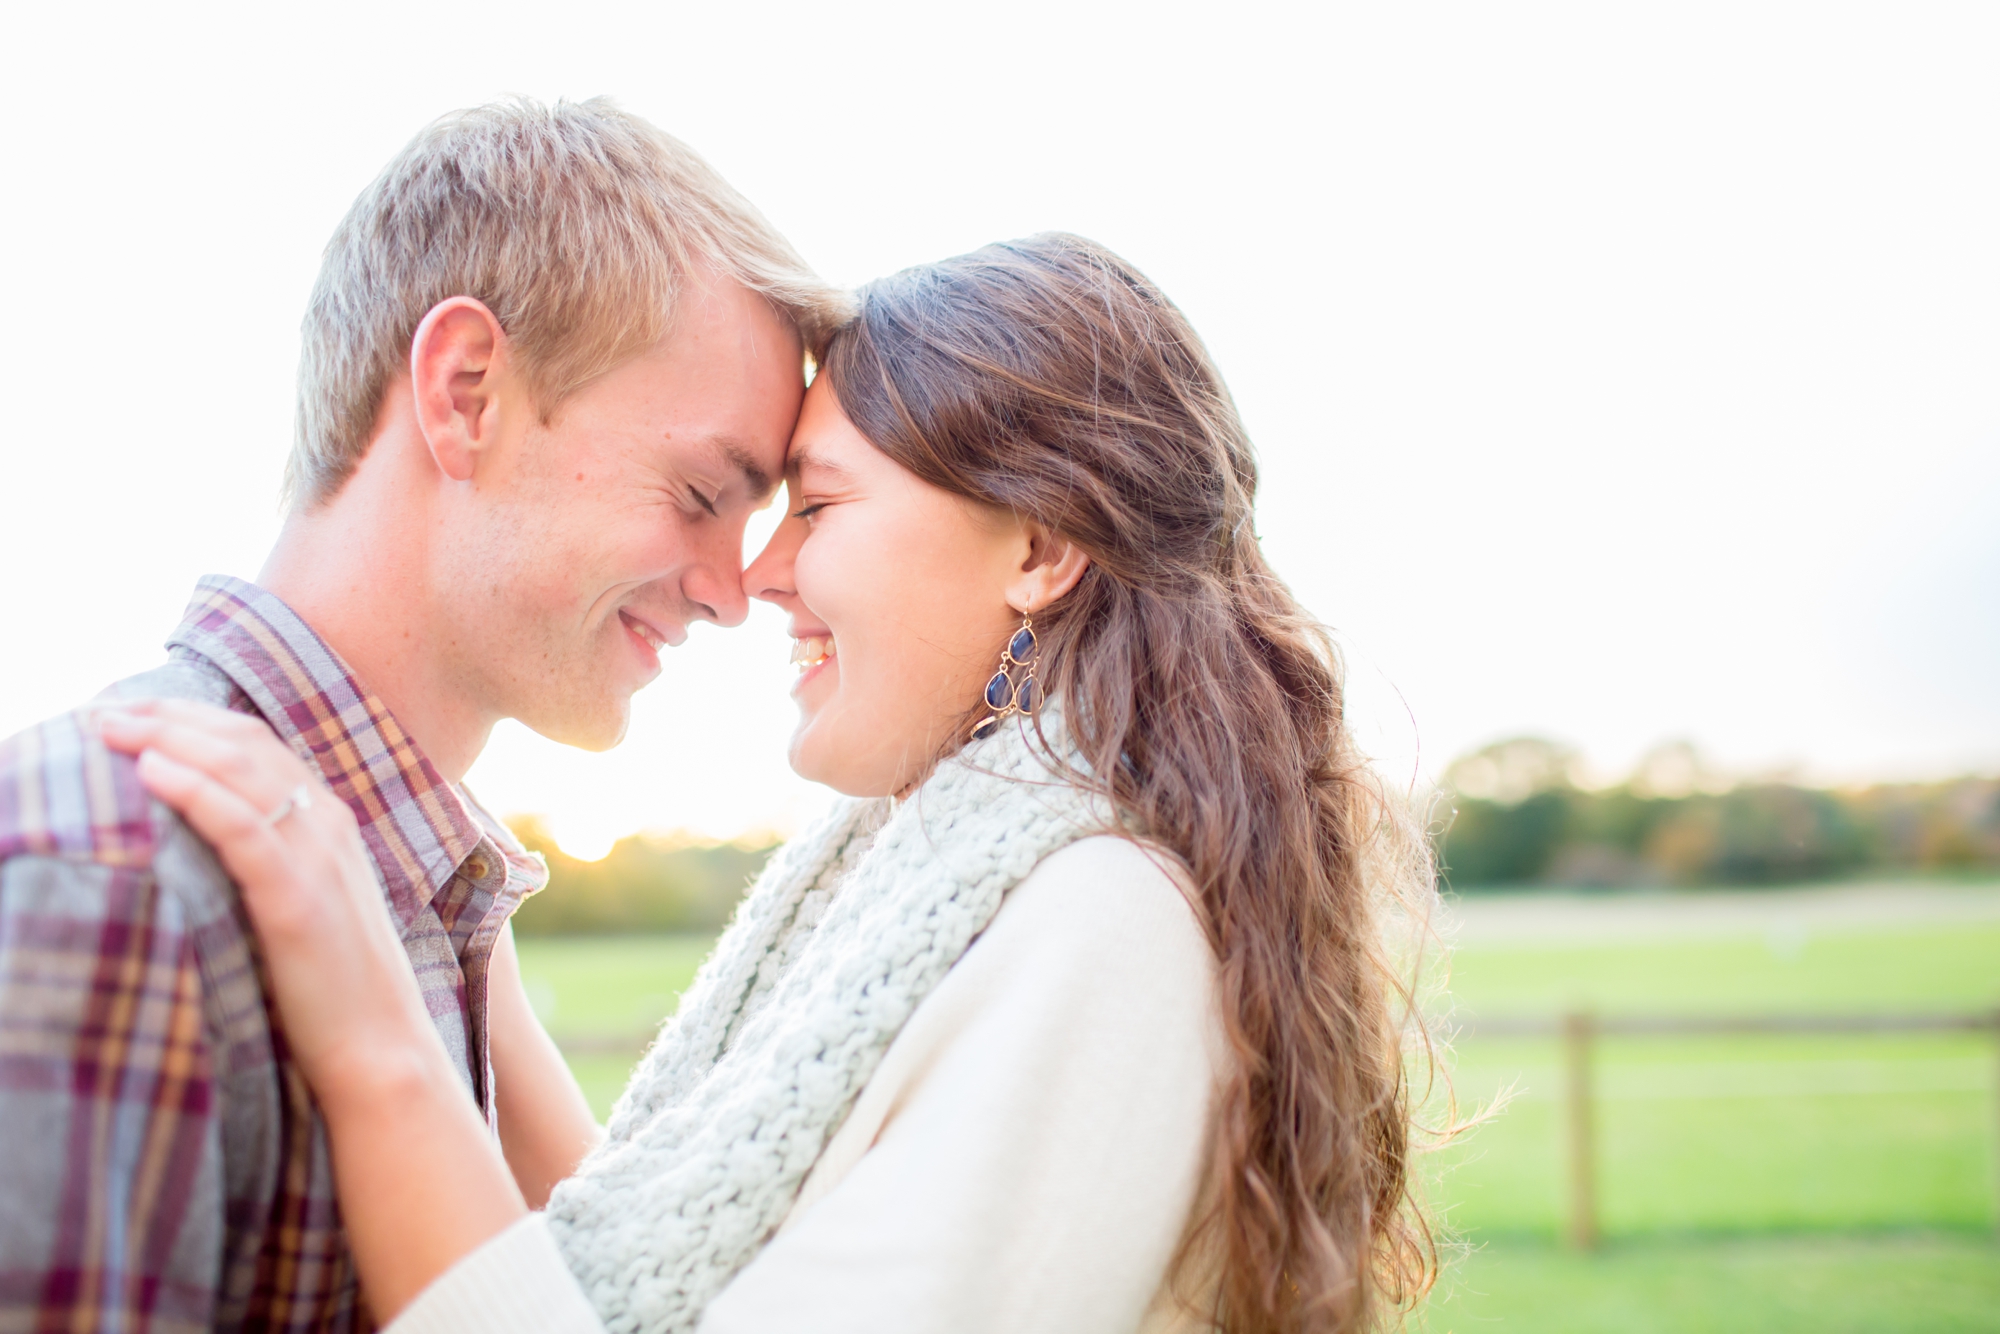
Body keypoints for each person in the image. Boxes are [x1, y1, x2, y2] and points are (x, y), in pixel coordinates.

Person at [102, 235, 1444, 1333]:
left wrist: (376, 1043)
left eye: (819, 505)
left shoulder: (1104, 931)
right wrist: (457, 954)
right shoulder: (931, 877)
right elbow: (648, 1252)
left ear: (1038, 545)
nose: (757, 576)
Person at [0, 98, 846, 1331]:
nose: (729, 591)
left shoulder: (413, 896)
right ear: (465, 393)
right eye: (701, 491)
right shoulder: (118, 872)